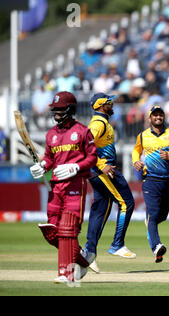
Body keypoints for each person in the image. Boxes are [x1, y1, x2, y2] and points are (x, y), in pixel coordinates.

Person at [29, 91, 97, 285]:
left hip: (75, 183)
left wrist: (76, 166)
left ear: (71, 109)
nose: (57, 113)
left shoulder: (83, 131)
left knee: (68, 228)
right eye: (55, 110)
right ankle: (83, 260)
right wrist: (42, 166)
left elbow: (92, 157)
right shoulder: (51, 134)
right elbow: (50, 158)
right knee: (52, 231)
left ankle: (66, 273)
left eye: (60, 109)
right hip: (56, 186)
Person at [83, 93, 136, 273]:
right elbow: (85, 145)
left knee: (101, 208)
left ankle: (89, 252)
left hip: (99, 171)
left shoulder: (103, 122)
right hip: (103, 171)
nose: (112, 104)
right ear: (100, 105)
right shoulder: (98, 123)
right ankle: (117, 244)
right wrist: (101, 165)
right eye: (109, 102)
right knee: (126, 203)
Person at [132, 105, 169, 263]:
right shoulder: (143, 136)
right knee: (152, 213)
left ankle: (150, 221)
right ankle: (156, 246)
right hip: (150, 180)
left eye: (160, 115)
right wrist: (136, 161)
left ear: (164, 117)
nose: (158, 117)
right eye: (155, 115)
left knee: (160, 216)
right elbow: (136, 150)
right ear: (149, 118)